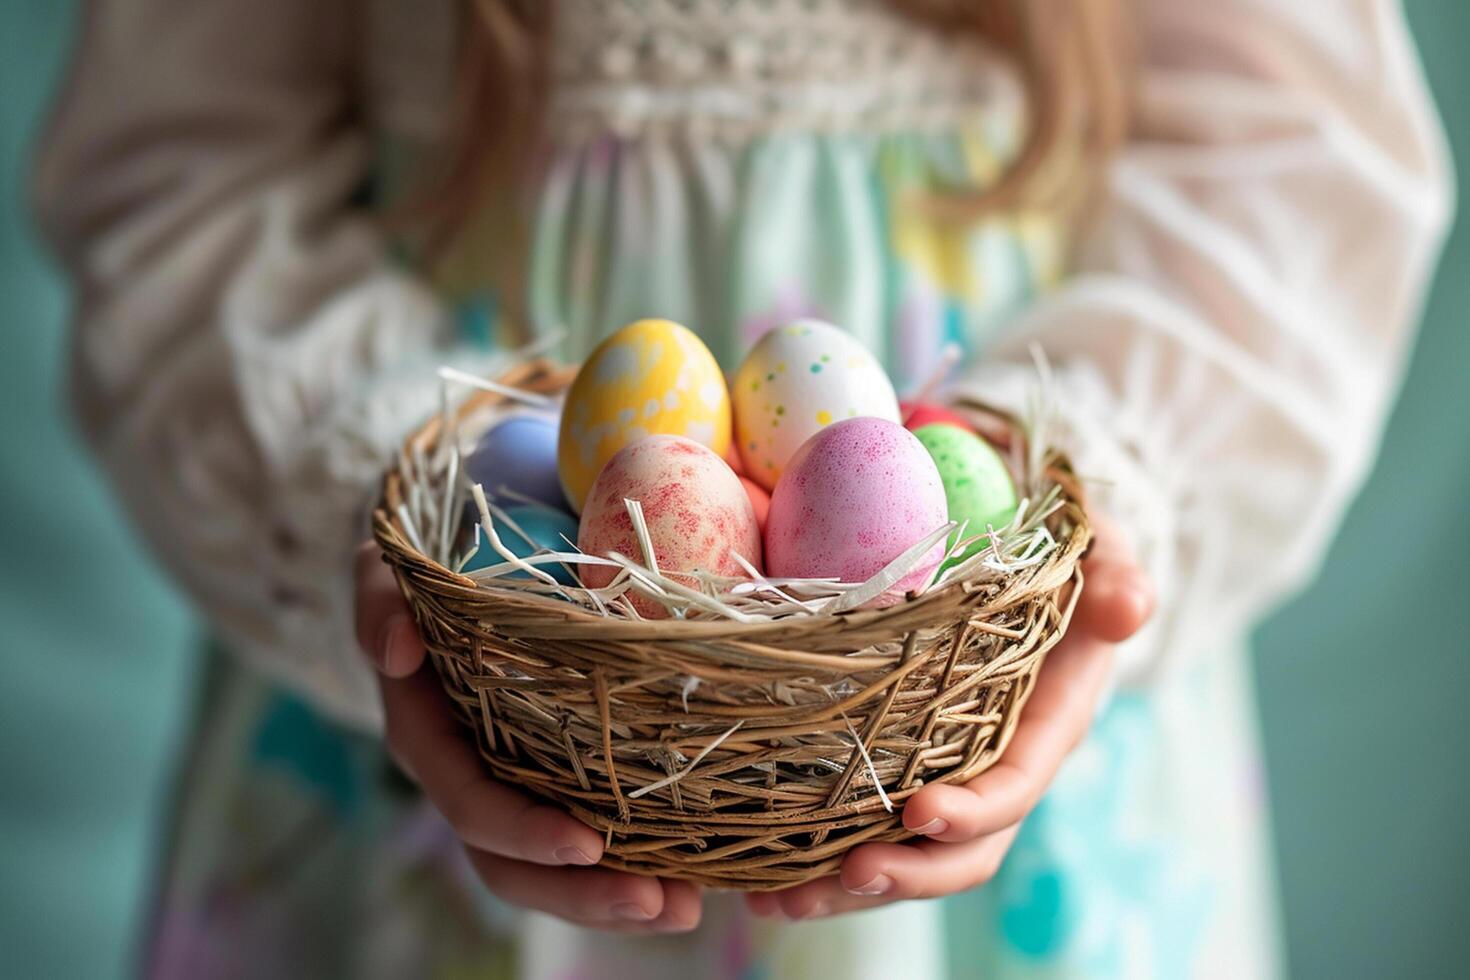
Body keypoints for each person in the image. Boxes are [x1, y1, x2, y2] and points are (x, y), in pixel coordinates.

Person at [33, 1, 1450, 977]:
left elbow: (1292, 157)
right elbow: (183, 166)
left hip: (980, 707)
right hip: (453, 689)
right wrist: (413, 512)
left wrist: (1057, 495)